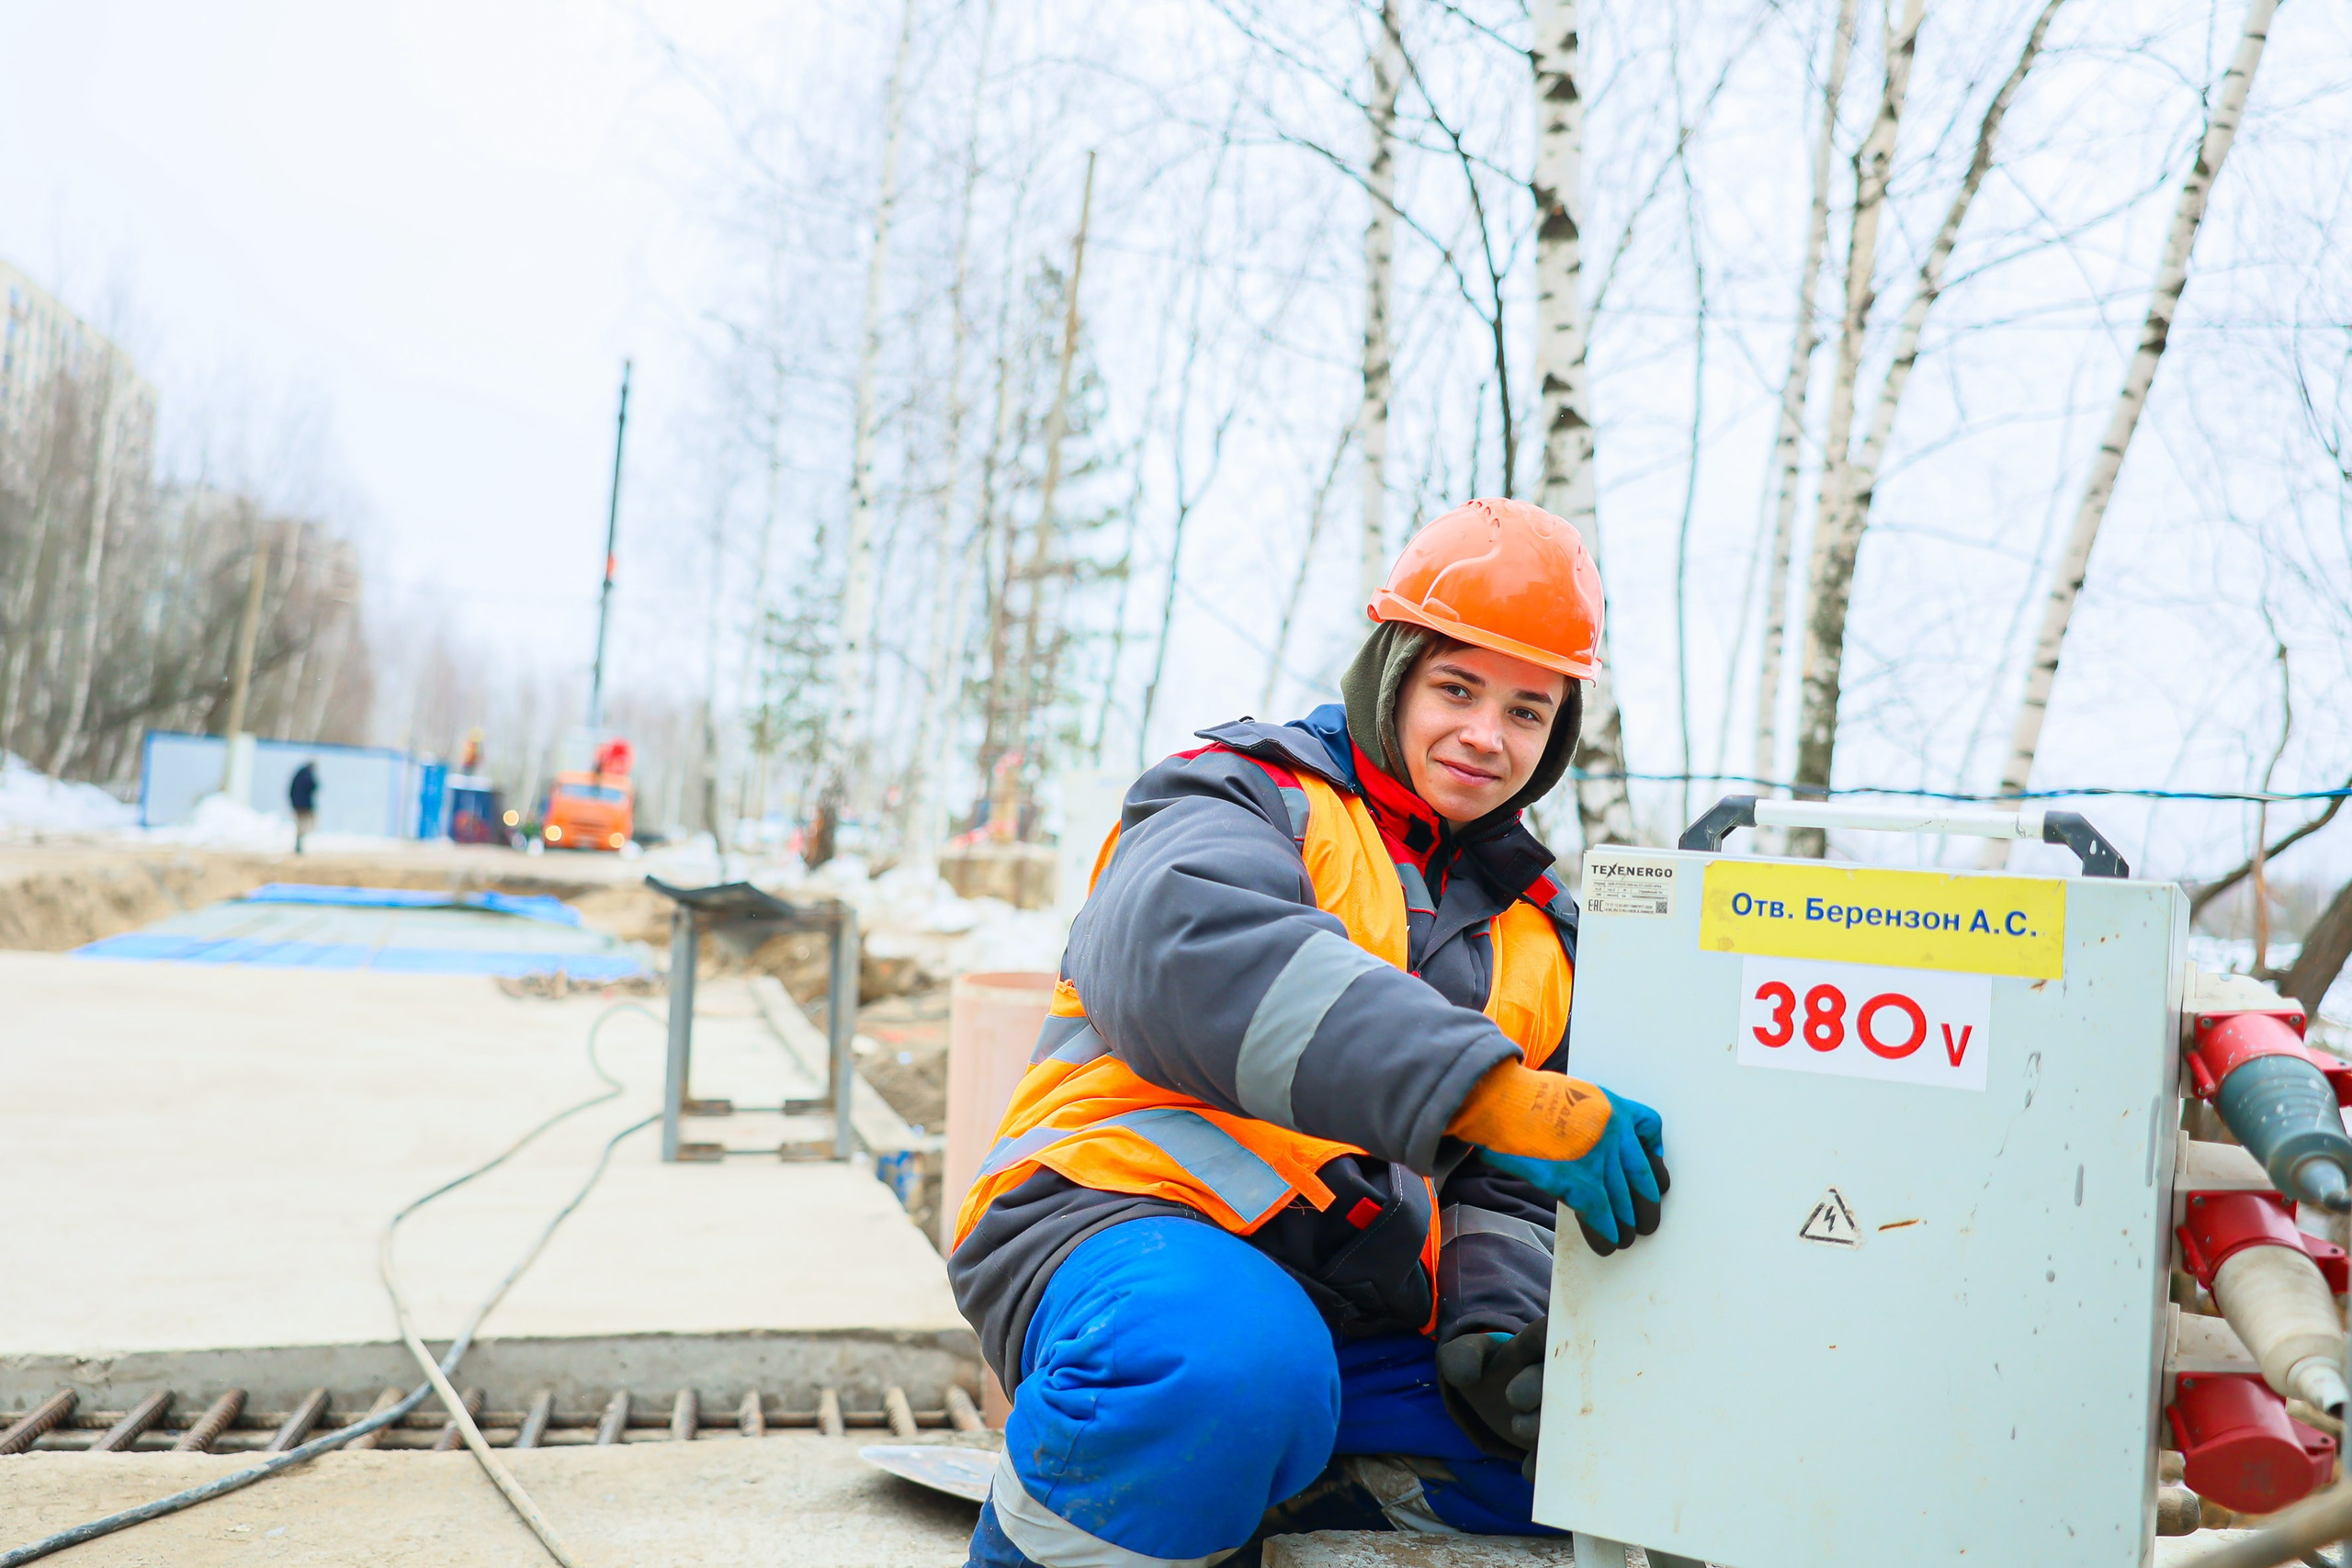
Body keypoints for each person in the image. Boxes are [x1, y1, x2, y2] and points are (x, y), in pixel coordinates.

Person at [949, 498, 1669, 1568]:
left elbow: (1502, 1188)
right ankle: (1183, 1460)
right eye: (1456, 688)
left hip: (1350, 1305)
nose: (1486, 733)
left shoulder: (1538, 931)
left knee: (1614, 1466)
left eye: (1527, 710)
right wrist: (1489, 1093)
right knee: (1221, 1369)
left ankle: (1252, 1487)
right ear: (1392, 675)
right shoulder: (1243, 796)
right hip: (1120, 1233)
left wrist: (1491, 1340)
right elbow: (1192, 961)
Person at [288, 760, 318, 853]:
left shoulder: (298, 776)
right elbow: (314, 786)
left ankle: (299, 842)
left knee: (300, 825)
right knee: (306, 824)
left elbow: (291, 790)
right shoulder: (308, 776)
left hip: (297, 805)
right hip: (305, 806)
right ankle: (300, 841)